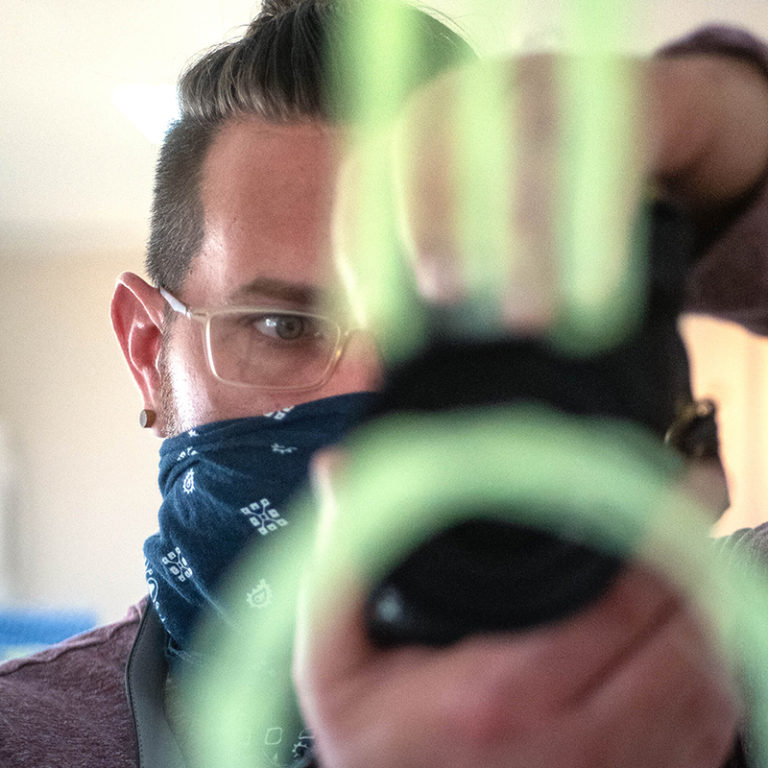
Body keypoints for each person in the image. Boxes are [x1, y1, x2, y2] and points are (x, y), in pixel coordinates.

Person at [0, 1, 767, 766]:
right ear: (148, 351)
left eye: (435, 334)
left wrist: (733, 147)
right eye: (283, 327)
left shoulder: (733, 640)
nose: (371, 411)